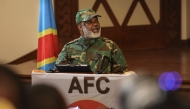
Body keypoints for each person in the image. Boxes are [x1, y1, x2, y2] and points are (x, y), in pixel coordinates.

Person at [55, 8, 127, 74]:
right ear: (80, 27)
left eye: (96, 21)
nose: (95, 24)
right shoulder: (69, 48)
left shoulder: (110, 46)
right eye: (90, 22)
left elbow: (122, 74)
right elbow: (57, 72)